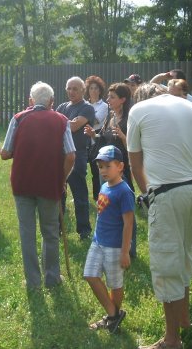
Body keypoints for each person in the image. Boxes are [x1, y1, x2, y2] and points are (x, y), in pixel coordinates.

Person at [127, 83, 192, 349]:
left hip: (166, 193)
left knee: (166, 262)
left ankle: (172, 340)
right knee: (185, 254)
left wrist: (147, 193)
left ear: (140, 96)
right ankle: (184, 320)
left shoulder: (138, 110)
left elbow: (135, 164)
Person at [1, 82, 75, 288]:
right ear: (52, 102)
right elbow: (70, 155)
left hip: (22, 183)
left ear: (30, 101)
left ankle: (33, 281)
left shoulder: (19, 118)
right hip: (49, 183)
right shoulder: (62, 120)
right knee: (50, 231)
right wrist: (62, 179)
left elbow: (6, 153)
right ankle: (52, 278)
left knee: (27, 232)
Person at [84, 145, 134, 334]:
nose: (103, 170)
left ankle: (112, 319)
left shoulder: (124, 191)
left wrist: (124, 252)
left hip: (114, 246)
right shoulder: (105, 186)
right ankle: (114, 313)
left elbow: (129, 224)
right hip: (98, 241)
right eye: (100, 167)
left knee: (115, 283)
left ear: (120, 166)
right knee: (90, 275)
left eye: (107, 166)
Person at [84, 82, 137, 258]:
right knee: (108, 205)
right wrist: (95, 135)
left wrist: (123, 137)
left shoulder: (129, 118)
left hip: (121, 169)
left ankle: (131, 248)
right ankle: (112, 241)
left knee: (126, 209)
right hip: (106, 168)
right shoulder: (111, 115)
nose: (108, 99)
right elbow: (105, 138)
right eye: (108, 96)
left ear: (122, 99)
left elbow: (135, 146)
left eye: (112, 97)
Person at [56, 76, 95, 240]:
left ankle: (84, 230)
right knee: (59, 193)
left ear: (82, 91)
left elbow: (73, 127)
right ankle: (58, 228)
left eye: (75, 89)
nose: (71, 91)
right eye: (69, 88)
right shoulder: (62, 106)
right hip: (59, 155)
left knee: (79, 193)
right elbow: (64, 124)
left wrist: (58, 122)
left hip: (77, 155)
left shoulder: (87, 108)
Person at [86, 75, 109, 201]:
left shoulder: (104, 106)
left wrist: (82, 119)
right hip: (83, 141)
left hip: (96, 141)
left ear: (100, 91)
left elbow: (94, 121)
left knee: (96, 171)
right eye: (91, 88)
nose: (93, 91)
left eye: (96, 88)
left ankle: (98, 197)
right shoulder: (84, 104)